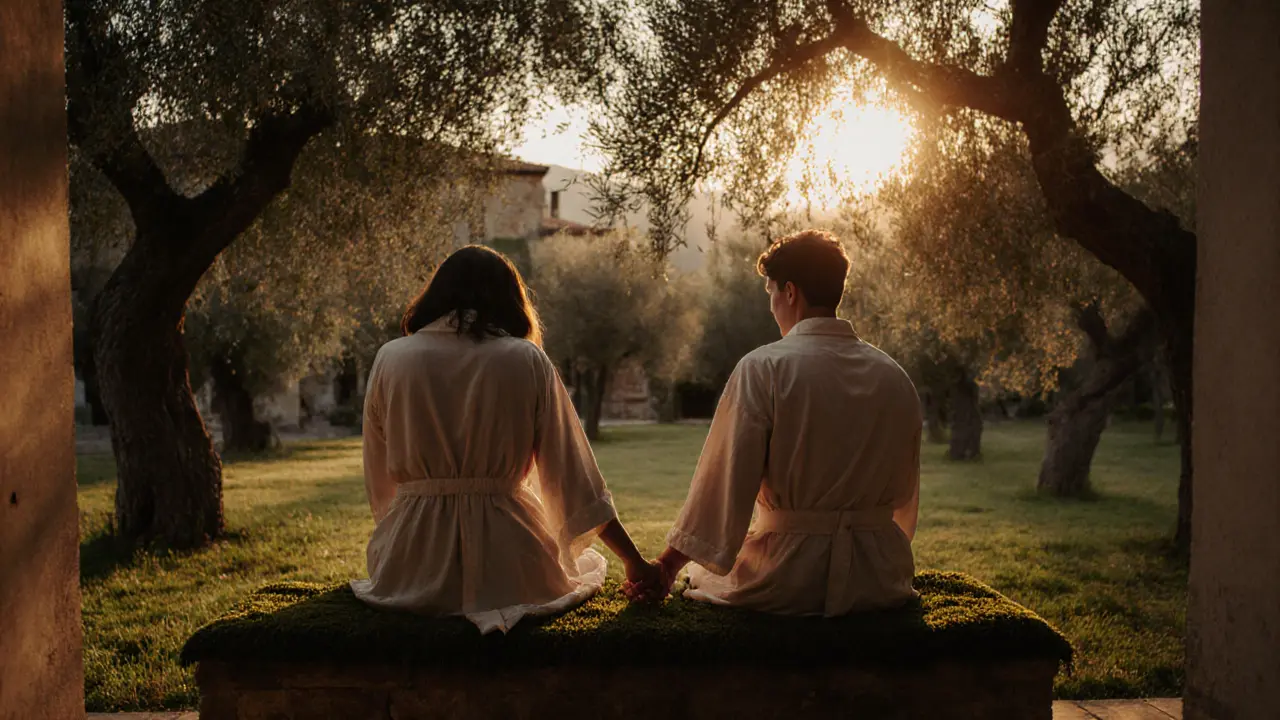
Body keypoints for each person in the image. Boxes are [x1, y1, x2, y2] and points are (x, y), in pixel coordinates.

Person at [352, 245, 656, 634]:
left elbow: (379, 478)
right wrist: (634, 561)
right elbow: (573, 477)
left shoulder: (391, 358)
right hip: (511, 561)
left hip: (410, 561)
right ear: (509, 298)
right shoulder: (525, 359)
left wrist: (405, 537)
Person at [626, 229, 922, 616]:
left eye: (771, 293)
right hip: (880, 577)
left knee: (704, 578)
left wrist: (667, 565)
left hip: (786, 577)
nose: (771, 307)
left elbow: (725, 483)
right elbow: (905, 494)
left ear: (790, 292)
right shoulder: (895, 377)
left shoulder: (764, 368)